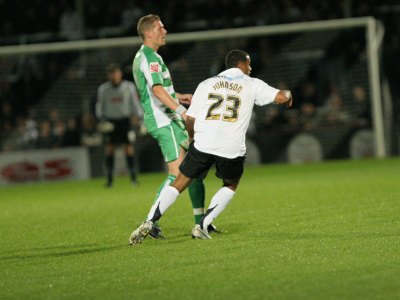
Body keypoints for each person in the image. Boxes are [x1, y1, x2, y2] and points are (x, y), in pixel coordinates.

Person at [129, 49, 293, 245]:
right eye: (249, 64)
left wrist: (192, 138)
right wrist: (288, 94)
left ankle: (150, 221)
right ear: (241, 64)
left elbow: (189, 119)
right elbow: (281, 97)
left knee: (179, 182)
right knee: (230, 184)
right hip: (231, 147)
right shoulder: (251, 84)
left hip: (203, 143)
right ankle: (203, 224)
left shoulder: (206, 84)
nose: (250, 68)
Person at [131, 14, 212, 239]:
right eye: (160, 27)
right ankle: (150, 221)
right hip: (164, 120)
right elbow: (156, 91)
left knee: (195, 167)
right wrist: (182, 111)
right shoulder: (150, 58)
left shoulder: (147, 56)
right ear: (149, 33)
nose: (165, 31)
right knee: (177, 173)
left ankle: (201, 222)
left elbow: (158, 90)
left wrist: (179, 97)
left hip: (168, 118)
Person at [96, 63, 142, 187]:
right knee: (109, 150)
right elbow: (99, 106)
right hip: (110, 122)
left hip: (125, 121)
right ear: (109, 76)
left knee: (129, 150)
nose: (115, 76)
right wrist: (101, 119)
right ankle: (110, 180)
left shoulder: (129, 87)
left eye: (116, 73)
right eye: (112, 74)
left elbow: (135, 103)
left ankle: (133, 179)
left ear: (120, 74)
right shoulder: (103, 89)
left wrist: (140, 117)